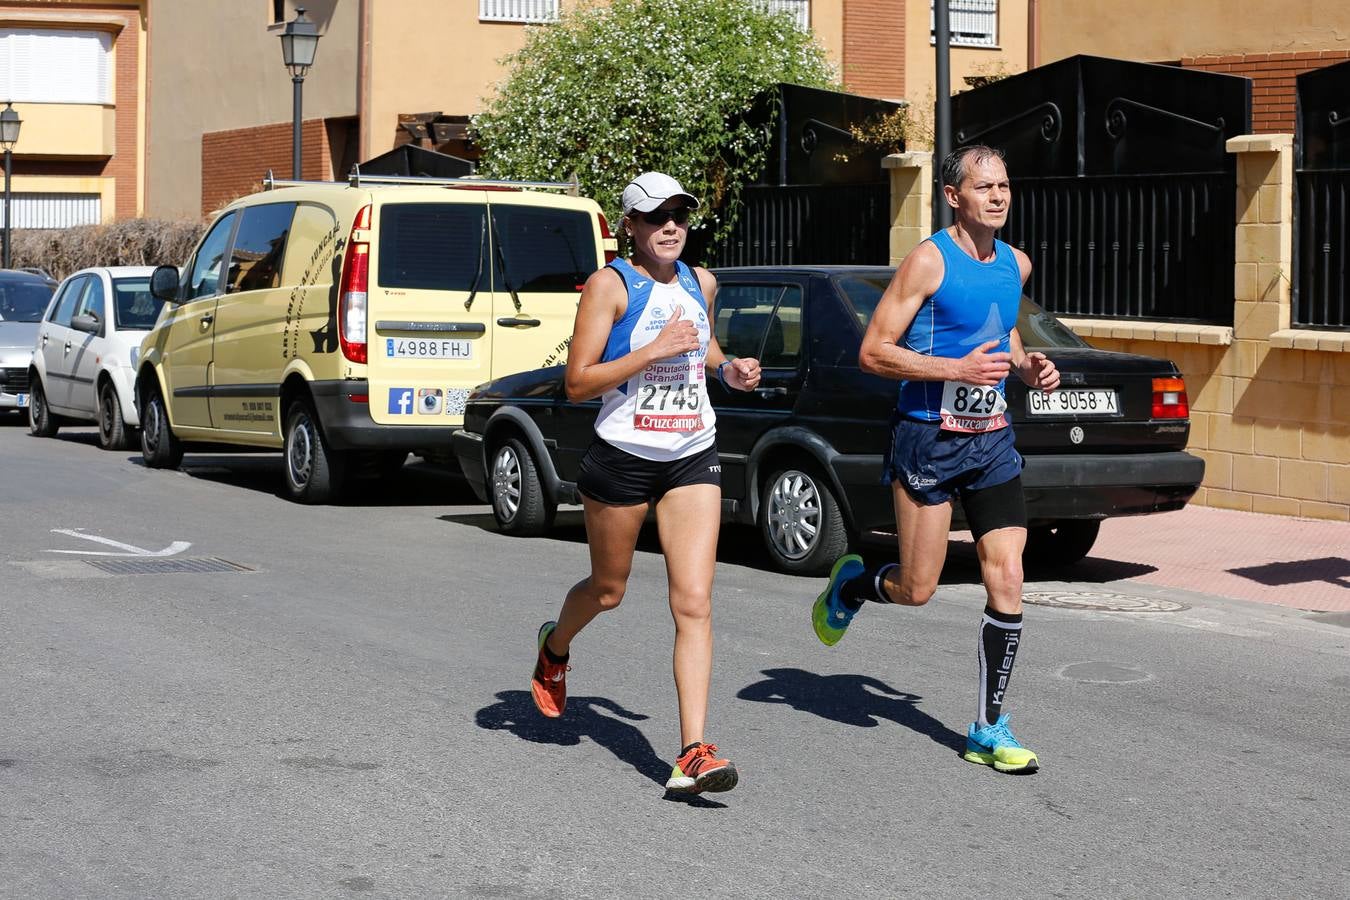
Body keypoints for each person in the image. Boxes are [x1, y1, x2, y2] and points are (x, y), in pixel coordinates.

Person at [811, 145, 1060, 774]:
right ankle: (858, 583)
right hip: (928, 438)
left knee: (1006, 575)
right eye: (985, 187)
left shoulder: (1015, 264)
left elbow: (1002, 334)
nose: (999, 196)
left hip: (992, 440)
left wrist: (1028, 366)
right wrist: (955, 368)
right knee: (917, 588)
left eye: (1005, 185)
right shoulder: (928, 261)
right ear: (954, 195)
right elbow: (873, 351)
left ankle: (989, 727)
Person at [529, 171, 762, 795]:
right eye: (657, 217)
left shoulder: (699, 281)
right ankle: (555, 647)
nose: (671, 228)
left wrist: (729, 370)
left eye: (680, 217)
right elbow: (578, 381)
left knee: (694, 601)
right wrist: (653, 349)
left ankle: (693, 750)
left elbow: (702, 345)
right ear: (629, 225)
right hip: (623, 455)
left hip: (691, 450)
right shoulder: (611, 286)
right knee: (609, 590)